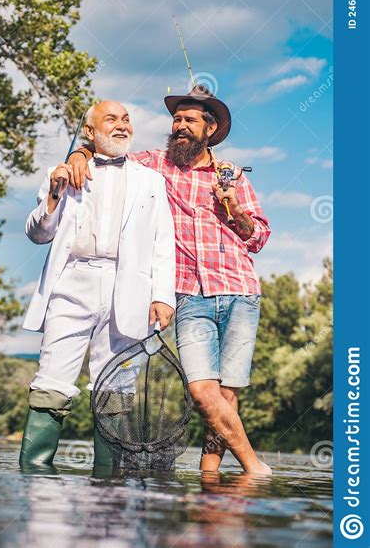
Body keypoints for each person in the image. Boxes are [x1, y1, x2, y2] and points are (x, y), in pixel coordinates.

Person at [68, 84, 272, 475]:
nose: (180, 126)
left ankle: (210, 475)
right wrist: (80, 150)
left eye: (189, 121)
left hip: (241, 290)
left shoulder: (232, 175)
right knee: (201, 391)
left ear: (209, 129)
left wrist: (234, 208)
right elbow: (110, 148)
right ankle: (253, 467)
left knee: (226, 394)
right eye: (176, 119)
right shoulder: (152, 165)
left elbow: (260, 236)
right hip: (189, 295)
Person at [19, 100, 176, 470]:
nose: (122, 126)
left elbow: (162, 242)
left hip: (130, 288)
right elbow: (37, 234)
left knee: (118, 387)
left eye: (126, 119)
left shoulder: (151, 181)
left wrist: (163, 296)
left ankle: (109, 484)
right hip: (72, 282)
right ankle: (35, 475)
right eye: (111, 119)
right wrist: (55, 193)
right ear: (89, 132)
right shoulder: (59, 174)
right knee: (52, 377)